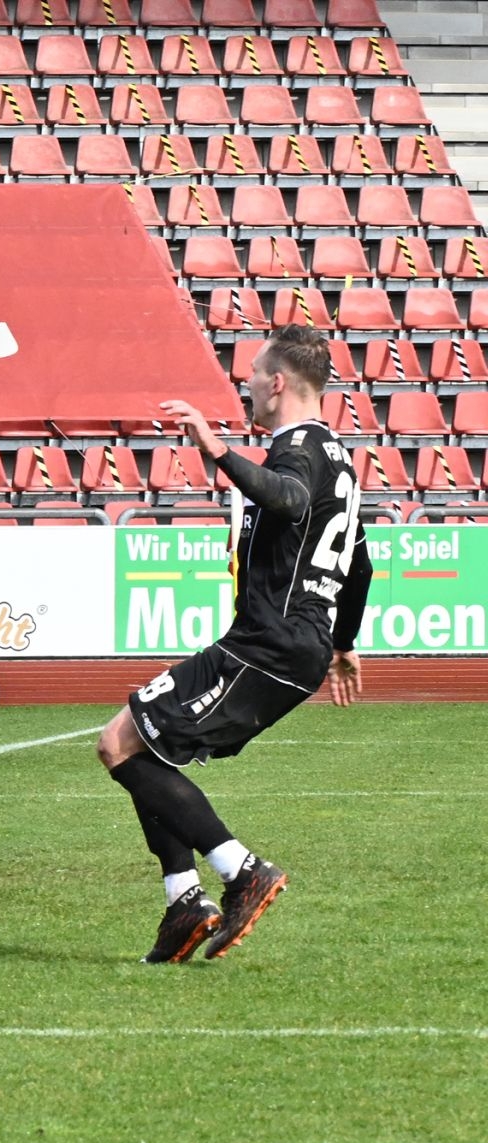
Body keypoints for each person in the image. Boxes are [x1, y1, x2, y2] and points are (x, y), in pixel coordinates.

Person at [100, 324, 371, 964]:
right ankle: (182, 903)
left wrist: (216, 449)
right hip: (288, 644)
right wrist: (342, 642)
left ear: (277, 383)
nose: (246, 383)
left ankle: (241, 872)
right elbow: (358, 565)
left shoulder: (298, 449)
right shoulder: (340, 459)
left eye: (253, 373)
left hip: (269, 643)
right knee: (144, 746)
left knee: (119, 743)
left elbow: (288, 498)